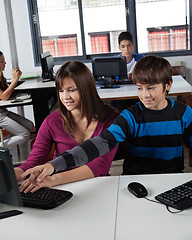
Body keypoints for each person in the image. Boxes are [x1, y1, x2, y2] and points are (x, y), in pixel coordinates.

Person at [20, 55, 192, 192]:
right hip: (135, 180)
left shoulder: (184, 113)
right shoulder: (129, 116)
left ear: (168, 85)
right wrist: (53, 165)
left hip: (172, 178)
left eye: (151, 88)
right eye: (140, 88)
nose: (145, 95)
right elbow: (99, 143)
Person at [17, 60, 119, 191]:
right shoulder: (52, 121)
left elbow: (100, 166)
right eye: (61, 91)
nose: (65, 97)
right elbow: (32, 163)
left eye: (71, 90)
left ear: (86, 88)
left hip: (96, 186)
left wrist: (53, 179)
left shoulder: (111, 119)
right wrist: (9, 174)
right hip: (61, 187)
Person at [0, 51, 34, 161]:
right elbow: (4, 97)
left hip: (4, 111)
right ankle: (1, 146)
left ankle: (5, 142)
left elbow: (6, 91)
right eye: (1, 61)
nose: (5, 63)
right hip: (0, 116)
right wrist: (15, 80)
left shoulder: (0, 76)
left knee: (29, 125)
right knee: (25, 134)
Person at [112, 31, 144, 112]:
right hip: (120, 94)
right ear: (119, 47)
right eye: (123, 46)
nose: (126, 49)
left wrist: (135, 75)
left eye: (129, 46)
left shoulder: (140, 59)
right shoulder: (115, 61)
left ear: (133, 46)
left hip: (136, 93)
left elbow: (146, 73)